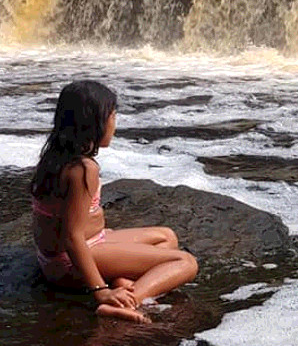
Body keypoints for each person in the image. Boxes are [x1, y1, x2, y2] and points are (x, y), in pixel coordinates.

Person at [31, 80, 198, 323]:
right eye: (113, 115)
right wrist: (100, 291)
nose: (115, 123)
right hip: (70, 261)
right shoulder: (82, 168)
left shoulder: (56, 157)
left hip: (76, 249)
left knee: (166, 237)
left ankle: (123, 282)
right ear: (93, 123)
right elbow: (72, 237)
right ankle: (128, 301)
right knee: (186, 262)